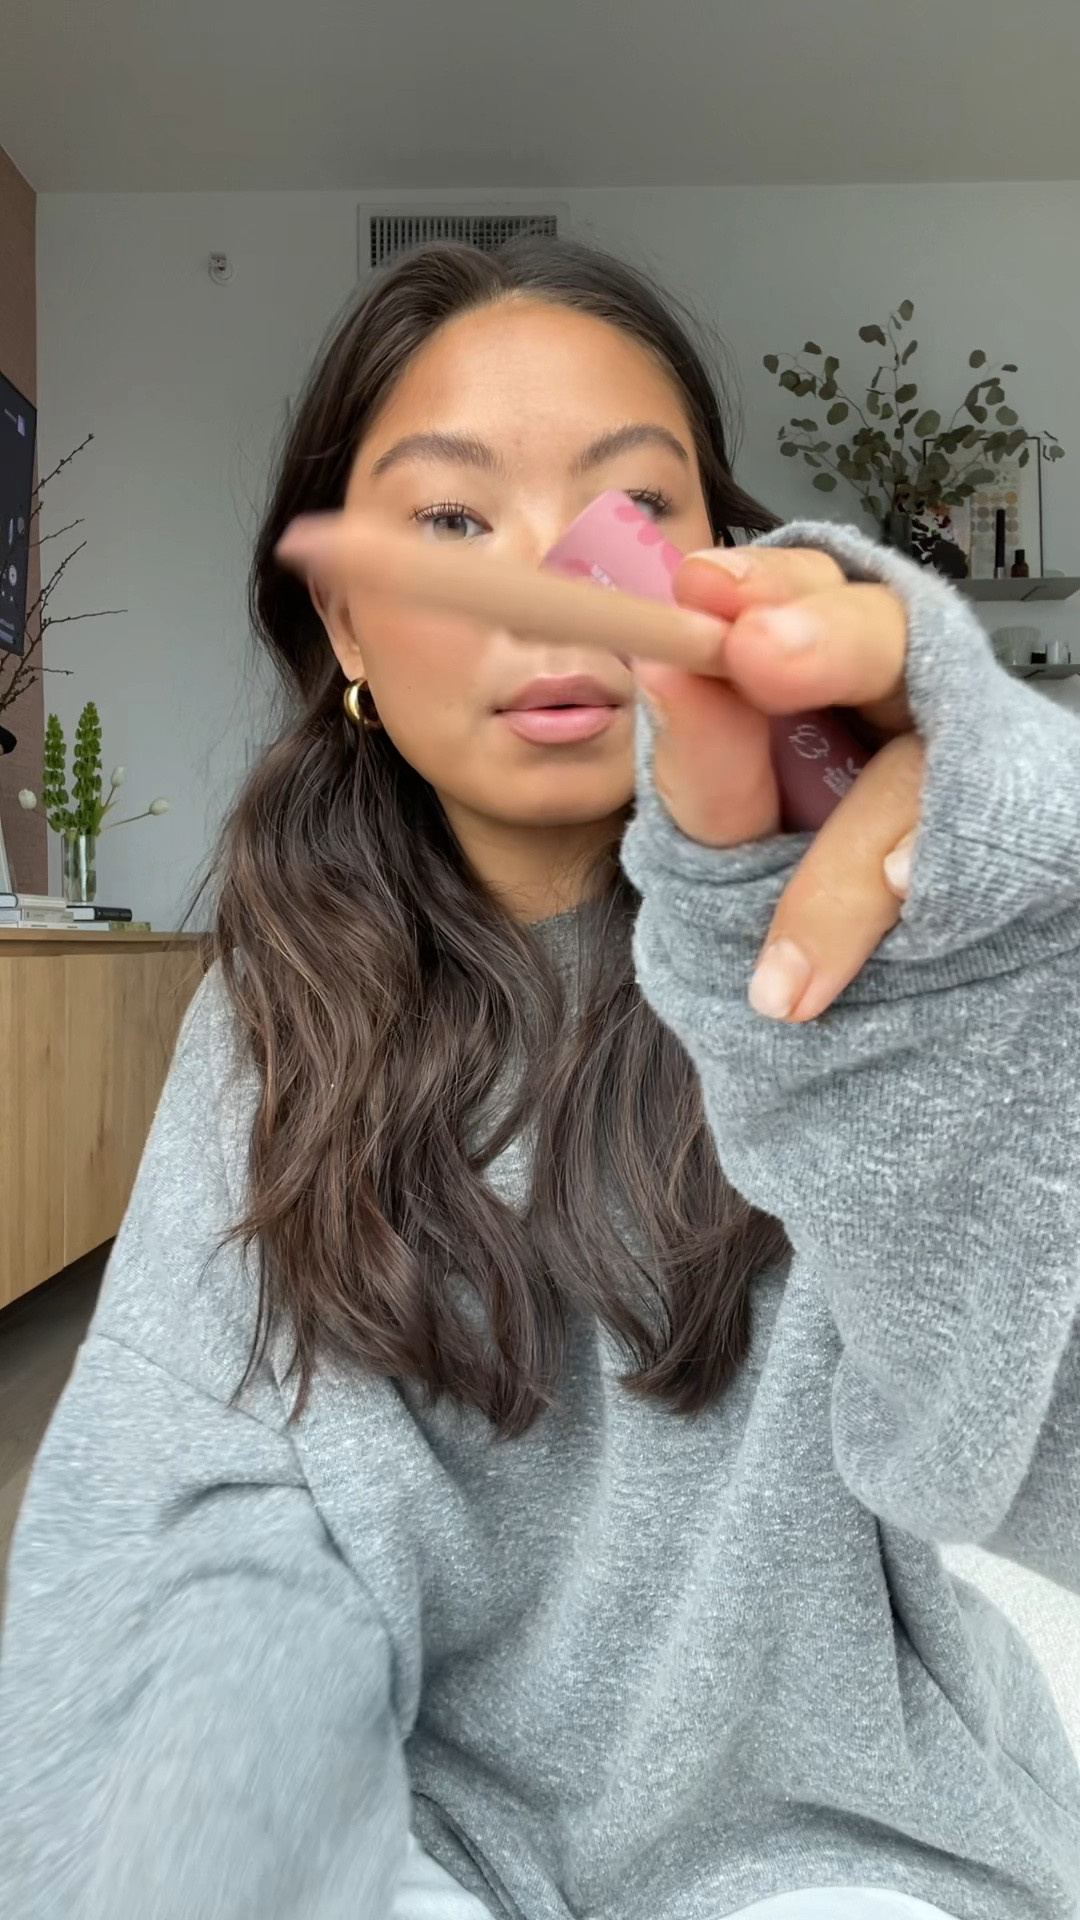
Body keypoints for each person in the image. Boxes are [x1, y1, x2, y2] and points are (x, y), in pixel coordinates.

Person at [1, 237, 1078, 1920]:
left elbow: (1035, 1448)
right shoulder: (276, 1013)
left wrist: (995, 928)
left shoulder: (856, 942)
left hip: (838, 1834)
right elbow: (184, 1524)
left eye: (630, 508)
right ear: (344, 619)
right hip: (411, 1819)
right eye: (449, 520)